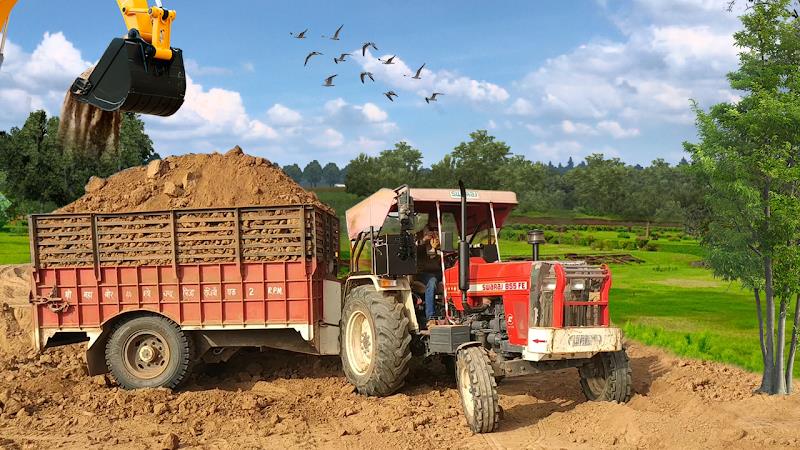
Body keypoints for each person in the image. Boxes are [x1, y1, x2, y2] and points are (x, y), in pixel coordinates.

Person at [416, 226, 442, 325]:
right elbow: (413, 250)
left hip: (439, 271)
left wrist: (438, 248)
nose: (432, 234)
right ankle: (431, 317)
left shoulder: (439, 239)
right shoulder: (418, 238)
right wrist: (423, 240)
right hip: (423, 273)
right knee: (432, 282)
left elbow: (443, 257)